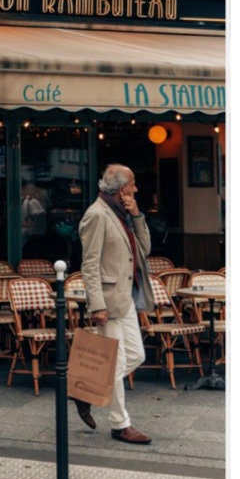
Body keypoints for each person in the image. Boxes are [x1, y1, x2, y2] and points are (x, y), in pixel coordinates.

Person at [77, 164, 154, 444]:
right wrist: (96, 304)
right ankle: (121, 424)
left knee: (137, 355)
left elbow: (144, 249)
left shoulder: (122, 214)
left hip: (126, 298)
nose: (136, 189)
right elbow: (89, 264)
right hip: (108, 301)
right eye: (132, 184)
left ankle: (84, 390)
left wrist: (137, 215)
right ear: (122, 189)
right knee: (117, 361)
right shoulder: (96, 215)